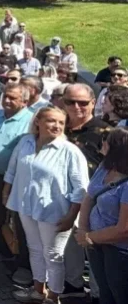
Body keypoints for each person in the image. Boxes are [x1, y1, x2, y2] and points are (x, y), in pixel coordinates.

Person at [3, 106, 89, 303]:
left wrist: (71, 216)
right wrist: (6, 192)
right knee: (34, 248)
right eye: (51, 121)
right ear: (38, 122)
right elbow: (12, 168)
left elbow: (81, 188)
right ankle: (37, 290)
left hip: (55, 212)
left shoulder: (69, 152)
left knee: (53, 255)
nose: (57, 126)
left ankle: (53, 296)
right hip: (27, 206)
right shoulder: (26, 142)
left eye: (61, 122)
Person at [0, 84, 34, 265]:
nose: (7, 100)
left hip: (14, 178)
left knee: (16, 219)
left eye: (13, 98)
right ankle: (2, 247)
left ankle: (21, 259)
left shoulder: (31, 121)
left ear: (25, 101)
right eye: (5, 96)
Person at [75, 127, 128, 304]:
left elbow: (123, 229)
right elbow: (89, 197)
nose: (101, 143)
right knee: (105, 293)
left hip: (119, 250)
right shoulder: (104, 167)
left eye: (105, 140)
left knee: (120, 295)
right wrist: (83, 230)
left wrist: (89, 236)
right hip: (96, 244)